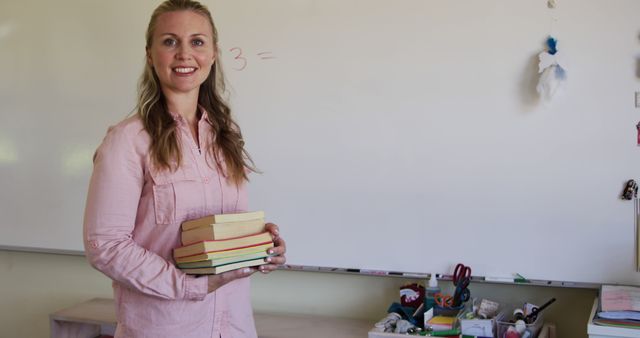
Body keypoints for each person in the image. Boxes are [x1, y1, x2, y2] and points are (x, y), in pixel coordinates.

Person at [83, 1, 286, 337]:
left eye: (197, 41)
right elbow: (105, 245)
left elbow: (217, 232)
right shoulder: (127, 141)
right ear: (150, 54)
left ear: (214, 53)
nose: (184, 54)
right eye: (169, 41)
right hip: (164, 327)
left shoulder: (225, 135)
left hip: (232, 325)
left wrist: (260, 244)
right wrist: (189, 285)